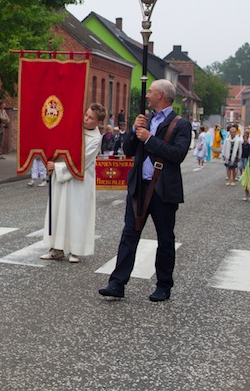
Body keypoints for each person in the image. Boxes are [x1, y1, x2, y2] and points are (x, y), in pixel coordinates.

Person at [99, 79, 191, 302]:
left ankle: (163, 285)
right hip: (139, 187)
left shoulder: (180, 124)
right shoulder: (145, 120)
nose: (147, 95)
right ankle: (117, 283)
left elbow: (177, 154)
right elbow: (129, 150)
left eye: (150, 92)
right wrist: (134, 130)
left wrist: (149, 138)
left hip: (163, 190)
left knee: (165, 238)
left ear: (160, 95)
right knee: (129, 235)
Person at [40, 103, 105, 264]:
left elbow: (81, 161)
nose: (86, 119)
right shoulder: (73, 129)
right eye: (86, 115)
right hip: (61, 179)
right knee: (58, 211)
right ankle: (56, 248)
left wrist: (57, 167)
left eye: (91, 118)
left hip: (79, 182)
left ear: (99, 122)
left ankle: (76, 249)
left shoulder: (95, 139)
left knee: (76, 214)